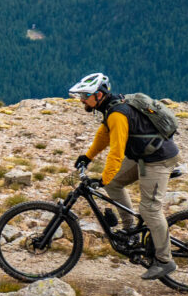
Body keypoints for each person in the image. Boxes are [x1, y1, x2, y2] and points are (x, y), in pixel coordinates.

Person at [67, 72, 180, 280]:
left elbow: (117, 151)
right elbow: (104, 134)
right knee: (114, 184)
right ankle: (130, 232)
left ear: (99, 95)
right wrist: (88, 156)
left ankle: (165, 260)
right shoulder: (110, 108)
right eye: (81, 96)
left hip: (158, 159)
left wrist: (104, 177)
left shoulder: (118, 114)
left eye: (85, 95)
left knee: (150, 209)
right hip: (142, 155)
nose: (82, 100)